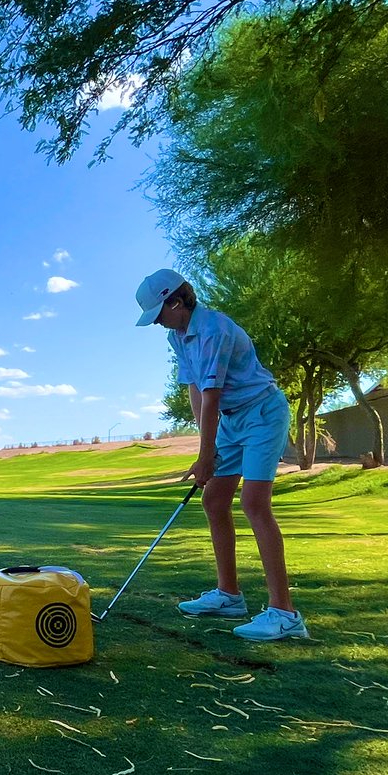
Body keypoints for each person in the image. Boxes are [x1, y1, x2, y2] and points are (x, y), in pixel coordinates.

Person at [135, 268, 308, 641]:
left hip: (262, 413)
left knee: (254, 502)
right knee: (214, 499)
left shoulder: (213, 329)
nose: (158, 324)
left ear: (176, 301)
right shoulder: (178, 336)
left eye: (159, 314)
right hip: (230, 421)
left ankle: (285, 612)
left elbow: (213, 396)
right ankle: (229, 595)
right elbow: (196, 390)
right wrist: (207, 448)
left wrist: (204, 457)